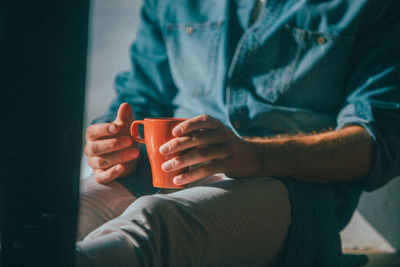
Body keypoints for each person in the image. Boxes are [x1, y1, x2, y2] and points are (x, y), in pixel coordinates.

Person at [76, 0, 400, 266]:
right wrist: (113, 144)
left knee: (154, 226)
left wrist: (254, 156)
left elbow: (380, 142)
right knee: (68, 213)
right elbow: (140, 97)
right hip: (161, 172)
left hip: (287, 188)